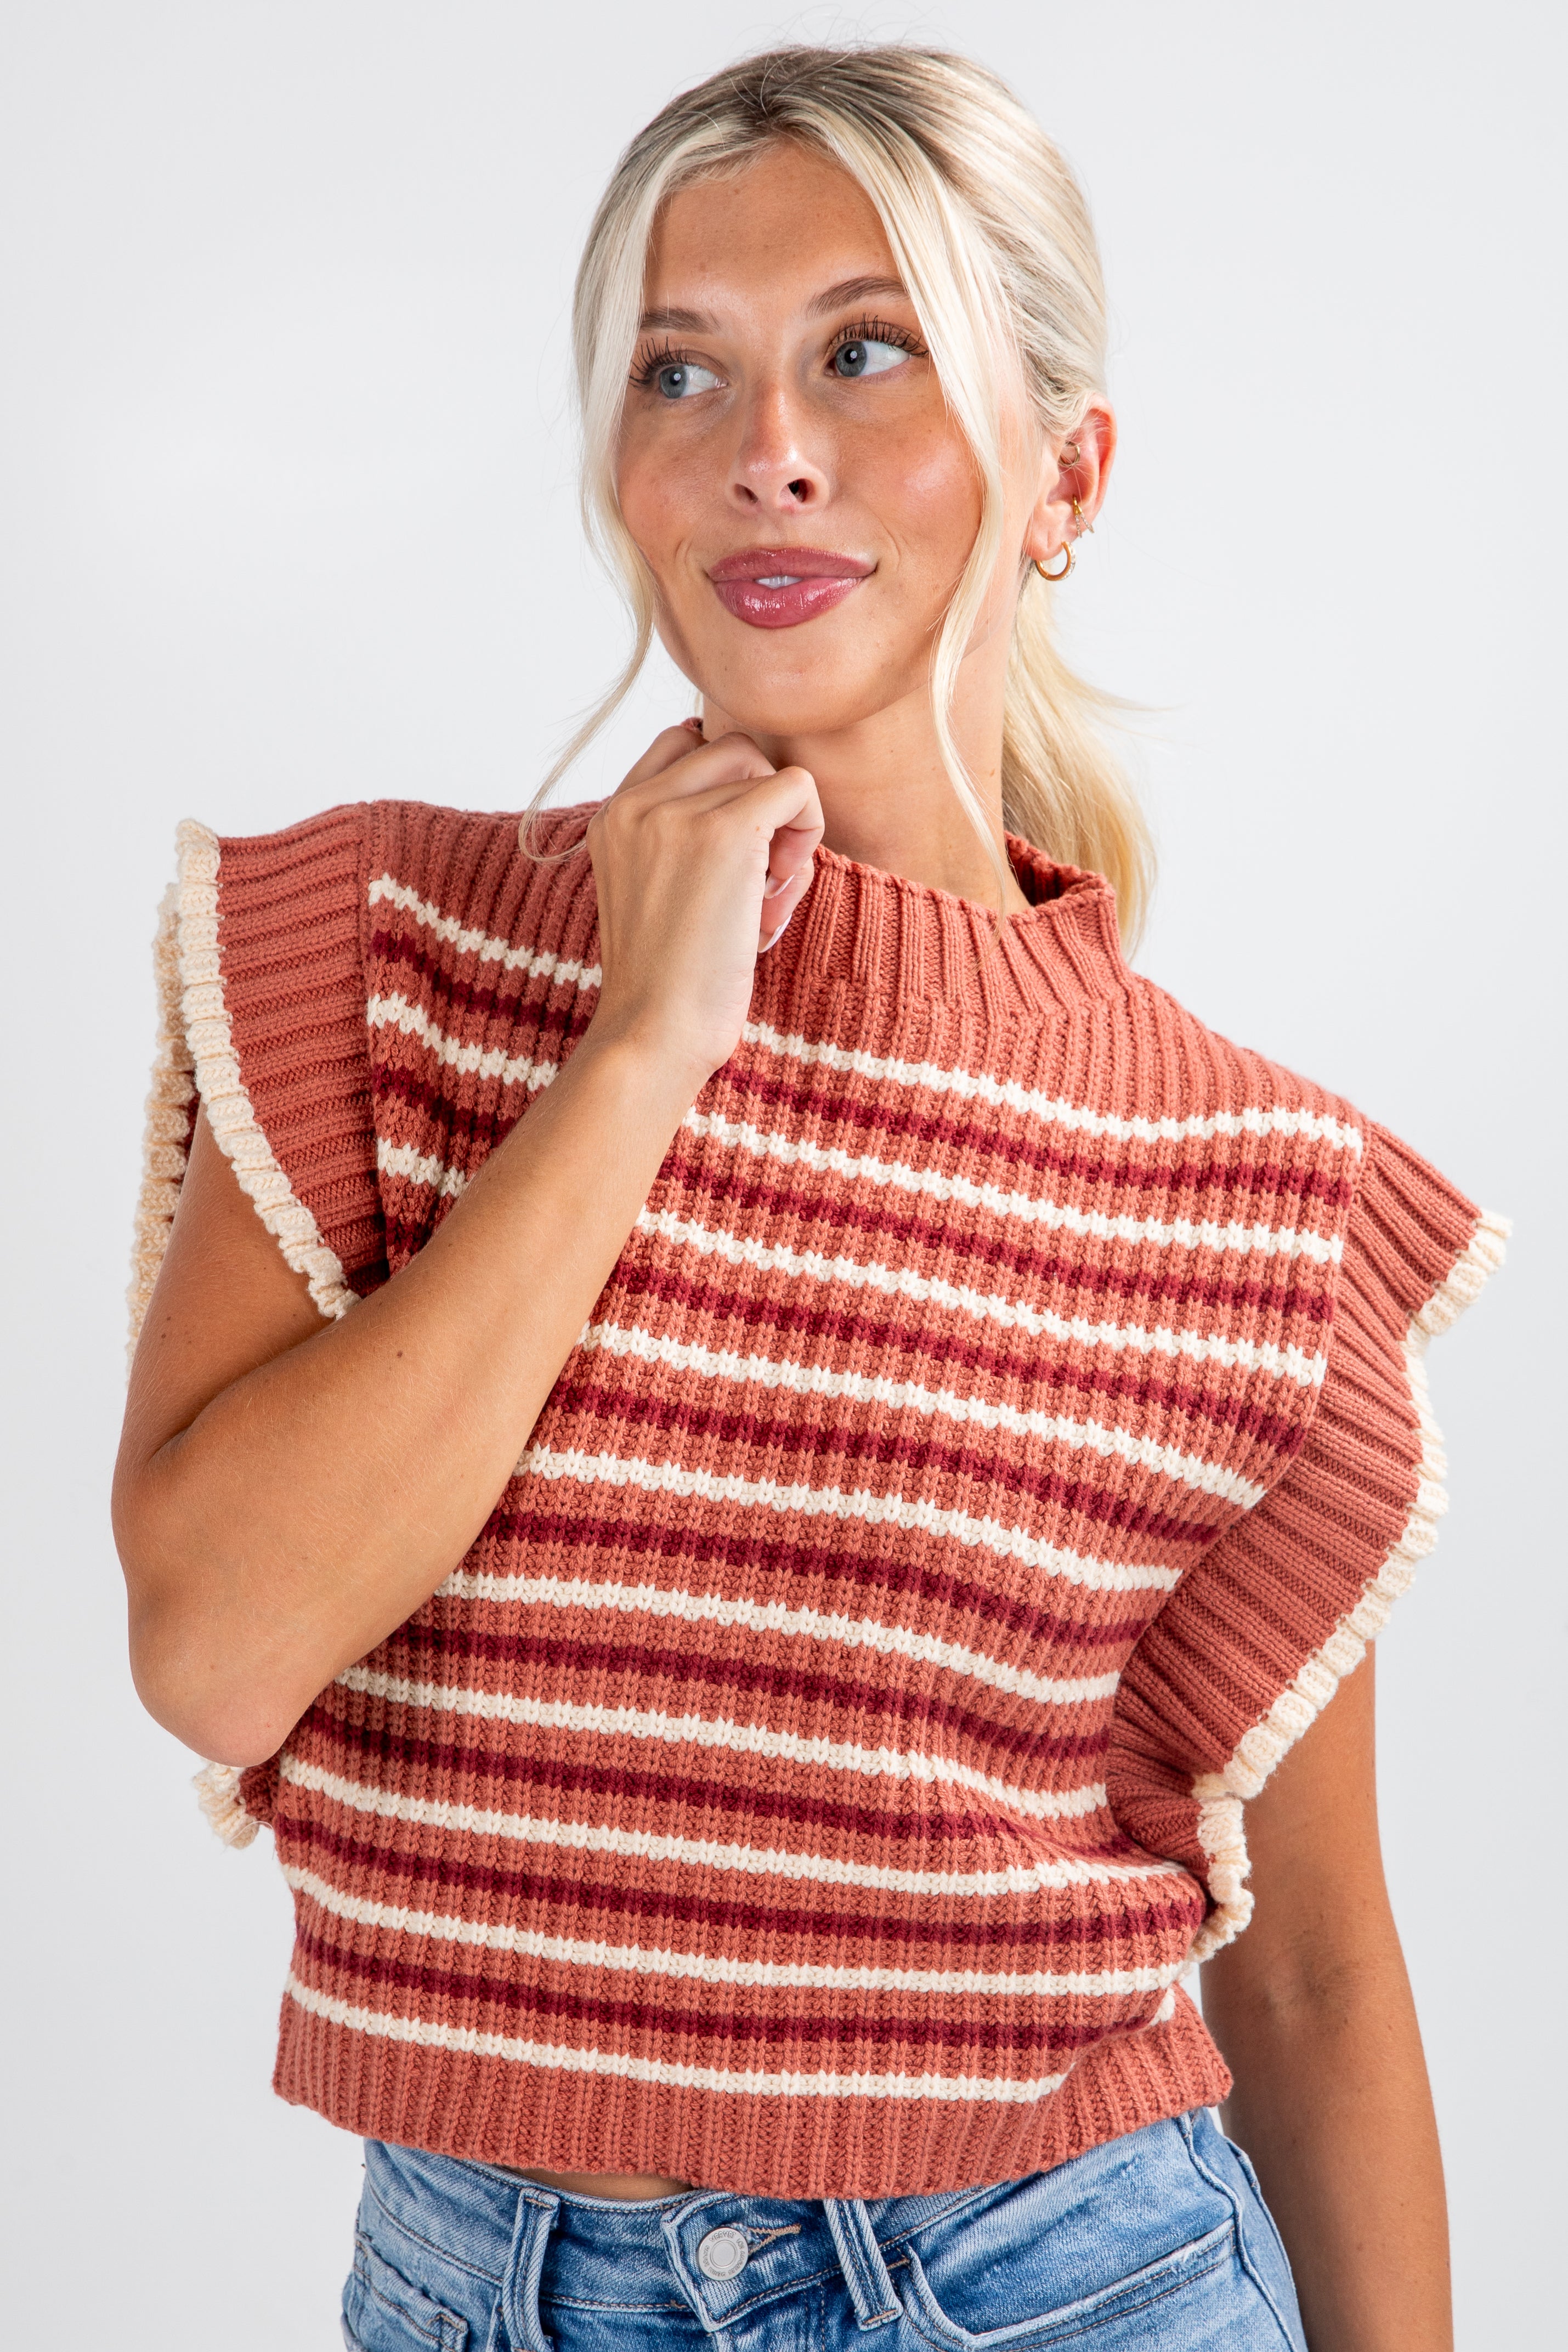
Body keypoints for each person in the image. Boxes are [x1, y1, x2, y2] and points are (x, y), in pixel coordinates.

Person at [114, 44, 1504, 2352]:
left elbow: (1324, 1976)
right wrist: (642, 1047)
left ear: (1067, 470)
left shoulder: (1249, 1189)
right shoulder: (383, 955)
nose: (768, 442)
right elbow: (216, 1647)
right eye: (685, 369)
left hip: (1068, 2283)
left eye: (869, 350)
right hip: (485, 2284)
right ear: (621, 462)